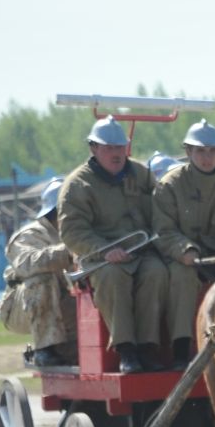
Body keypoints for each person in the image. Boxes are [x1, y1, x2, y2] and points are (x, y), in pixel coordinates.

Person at [58, 116, 168, 374]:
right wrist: (105, 250)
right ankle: (126, 350)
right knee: (113, 276)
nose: (116, 153)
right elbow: (72, 231)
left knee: (158, 273)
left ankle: (148, 348)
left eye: (120, 147)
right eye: (109, 148)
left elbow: (162, 211)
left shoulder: (142, 174)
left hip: (141, 253)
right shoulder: (77, 185)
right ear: (94, 149)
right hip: (100, 259)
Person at [154, 119, 215, 366]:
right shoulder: (170, 186)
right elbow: (164, 231)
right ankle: (182, 349)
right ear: (188, 152)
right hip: (181, 260)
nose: (207, 157)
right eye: (200, 151)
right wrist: (187, 251)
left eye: (213, 150)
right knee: (183, 276)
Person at [0, 177, 77, 368]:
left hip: (64, 302)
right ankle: (45, 349)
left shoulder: (81, 232)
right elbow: (27, 264)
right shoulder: (30, 235)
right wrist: (68, 253)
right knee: (42, 278)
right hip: (22, 307)